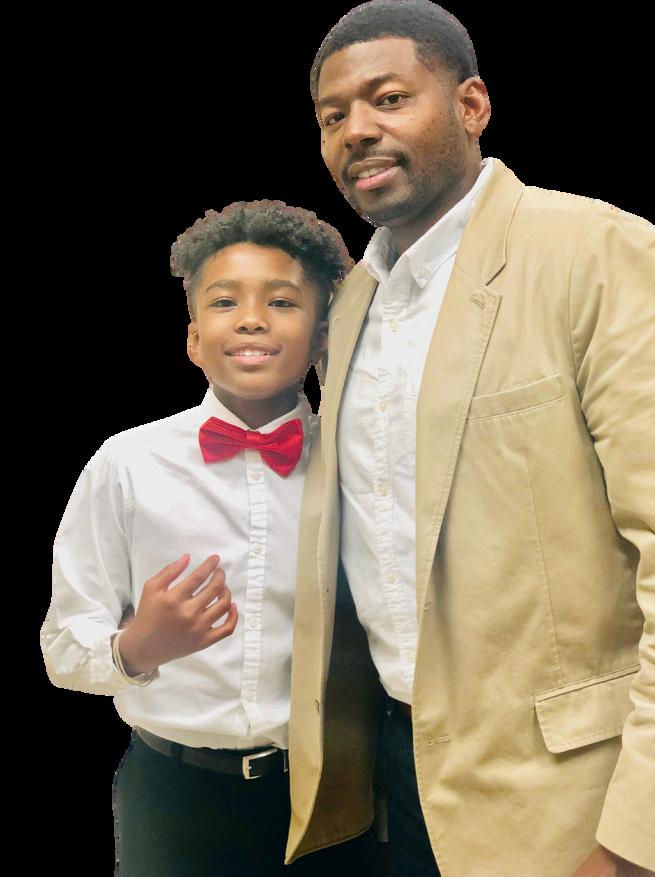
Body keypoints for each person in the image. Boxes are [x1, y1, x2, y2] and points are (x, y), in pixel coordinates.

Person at [284, 2, 655, 876]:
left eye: (388, 98)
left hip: (570, 800)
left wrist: (636, 835)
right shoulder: (352, 301)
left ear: (472, 105)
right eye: (333, 117)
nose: (357, 131)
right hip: (397, 782)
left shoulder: (596, 251)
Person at [40, 200, 380, 876]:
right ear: (194, 338)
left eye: (281, 301)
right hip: (173, 796)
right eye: (225, 302)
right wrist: (139, 647)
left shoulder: (357, 464)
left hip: (328, 792)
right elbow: (61, 646)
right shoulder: (126, 464)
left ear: (321, 336)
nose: (251, 318)